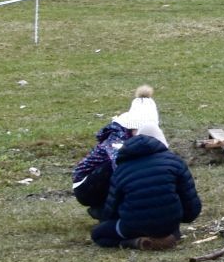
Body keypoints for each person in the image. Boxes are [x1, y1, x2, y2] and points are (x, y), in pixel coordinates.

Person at [91, 111, 202, 250]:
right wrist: (182, 219)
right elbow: (190, 201)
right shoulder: (175, 162)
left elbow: (111, 207)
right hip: (168, 224)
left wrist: (106, 221)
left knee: (98, 234)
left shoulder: (121, 169)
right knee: (167, 225)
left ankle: (133, 242)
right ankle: (168, 236)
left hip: (133, 225)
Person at [70, 85, 159, 220]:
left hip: (104, 178)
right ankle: (106, 211)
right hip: (85, 184)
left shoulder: (138, 137)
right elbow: (119, 167)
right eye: (140, 130)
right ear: (133, 126)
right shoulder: (117, 139)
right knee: (124, 168)